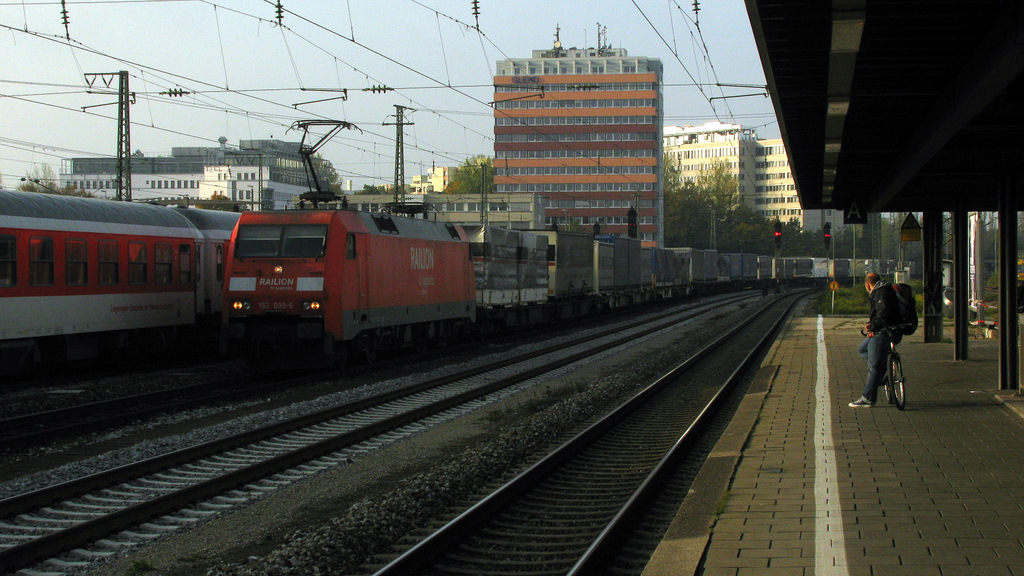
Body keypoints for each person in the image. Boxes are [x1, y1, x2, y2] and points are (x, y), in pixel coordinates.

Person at [850, 272, 902, 407]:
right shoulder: (887, 289)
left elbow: (883, 314)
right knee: (862, 349)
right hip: (890, 331)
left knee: (874, 367)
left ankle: (868, 398)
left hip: (886, 333)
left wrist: (873, 328)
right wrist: (872, 325)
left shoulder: (881, 293)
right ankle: (884, 371)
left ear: (868, 284)